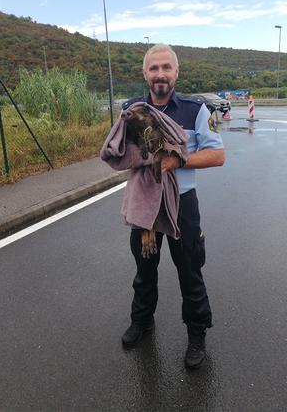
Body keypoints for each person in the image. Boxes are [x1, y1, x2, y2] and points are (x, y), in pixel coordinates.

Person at [120, 44, 225, 369]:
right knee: (144, 268)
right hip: (146, 204)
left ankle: (197, 335)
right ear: (145, 74)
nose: (160, 74)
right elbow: (122, 152)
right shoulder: (131, 110)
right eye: (154, 69)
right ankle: (142, 321)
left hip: (182, 204)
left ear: (176, 73)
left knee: (190, 270)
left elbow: (218, 155)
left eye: (166, 68)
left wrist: (177, 159)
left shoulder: (196, 110)